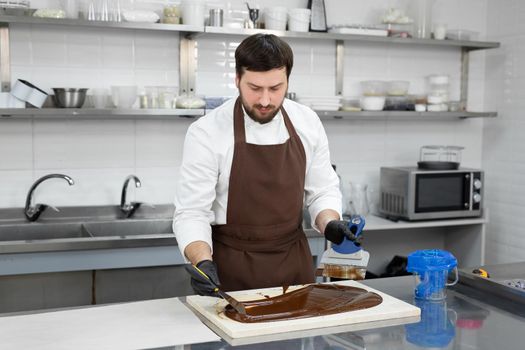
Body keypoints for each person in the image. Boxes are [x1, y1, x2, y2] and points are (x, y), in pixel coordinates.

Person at [174, 34, 360, 295]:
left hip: (294, 267)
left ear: (287, 82)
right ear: (237, 80)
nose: (264, 100)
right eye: (254, 88)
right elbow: (192, 212)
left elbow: (322, 190)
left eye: (275, 89)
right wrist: (202, 262)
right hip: (231, 273)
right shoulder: (206, 132)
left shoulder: (306, 122)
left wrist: (330, 223)